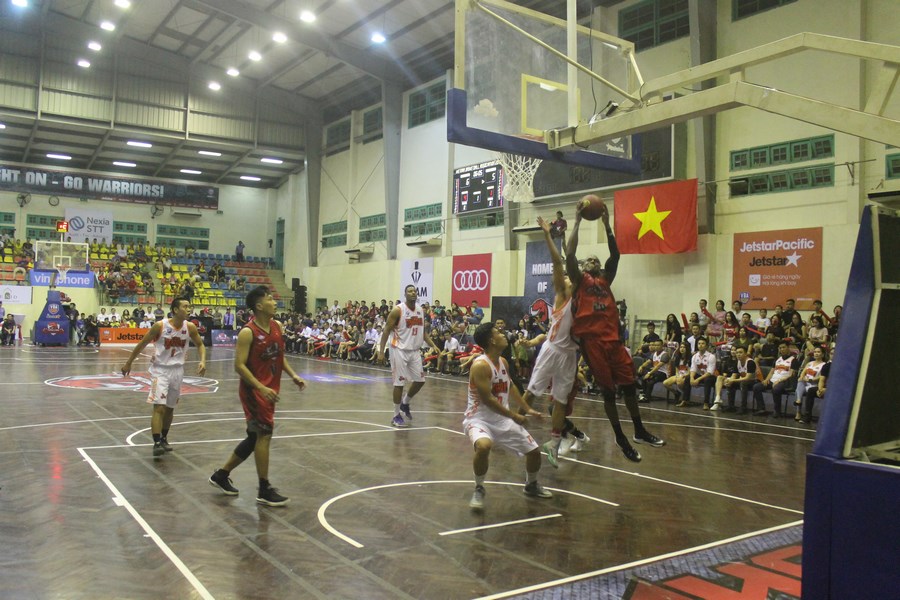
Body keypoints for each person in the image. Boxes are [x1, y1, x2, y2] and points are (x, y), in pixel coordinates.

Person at [565, 198, 664, 462]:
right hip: (592, 342)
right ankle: (620, 437)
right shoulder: (578, 280)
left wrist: (608, 226)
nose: (595, 261)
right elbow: (571, 255)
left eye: (597, 260)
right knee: (609, 392)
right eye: (591, 260)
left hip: (614, 341)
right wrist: (576, 222)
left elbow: (616, 255)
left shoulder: (605, 279)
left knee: (630, 387)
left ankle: (639, 429)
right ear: (584, 268)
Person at [208, 286, 307, 507]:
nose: (275, 302)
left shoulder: (277, 326)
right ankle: (264, 488)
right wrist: (260, 388)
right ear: (259, 306)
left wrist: (293, 375)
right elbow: (239, 366)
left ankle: (221, 475)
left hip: (270, 389)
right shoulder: (248, 332)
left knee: (255, 438)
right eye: (270, 299)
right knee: (264, 435)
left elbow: (279, 356)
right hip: (254, 392)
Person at [464, 321, 550, 510]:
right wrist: (514, 415)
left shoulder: (502, 362)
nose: (503, 334)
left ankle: (531, 484)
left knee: (535, 452)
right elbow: (488, 400)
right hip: (479, 419)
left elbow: (509, 386)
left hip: (502, 420)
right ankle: (479, 488)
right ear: (491, 341)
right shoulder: (480, 366)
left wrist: (527, 409)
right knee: (484, 446)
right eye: (498, 332)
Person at [519, 216, 577, 468]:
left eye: (569, 277)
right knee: (532, 391)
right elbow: (559, 262)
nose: (565, 278)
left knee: (561, 401)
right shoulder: (563, 293)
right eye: (563, 277)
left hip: (570, 355)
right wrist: (548, 235)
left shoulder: (584, 294)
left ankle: (553, 444)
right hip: (552, 350)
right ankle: (514, 425)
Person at [120, 297, 207, 457]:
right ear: (175, 310)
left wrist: (202, 360)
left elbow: (200, 344)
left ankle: (164, 438)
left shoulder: (190, 327)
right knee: (159, 406)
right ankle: (156, 442)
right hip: (160, 370)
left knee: (170, 407)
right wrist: (129, 363)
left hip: (177, 370)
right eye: (185, 306)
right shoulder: (160, 326)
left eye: (190, 307)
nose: (189, 309)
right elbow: (142, 344)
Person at [376, 284, 440, 427]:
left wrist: (432, 344)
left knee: (420, 380)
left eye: (414, 291)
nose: (413, 293)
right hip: (398, 349)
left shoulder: (420, 310)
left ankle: (405, 403)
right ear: (405, 294)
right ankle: (396, 415)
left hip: (414, 350)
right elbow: (386, 331)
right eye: (410, 291)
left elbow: (423, 332)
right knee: (399, 383)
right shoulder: (397, 311)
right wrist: (381, 352)